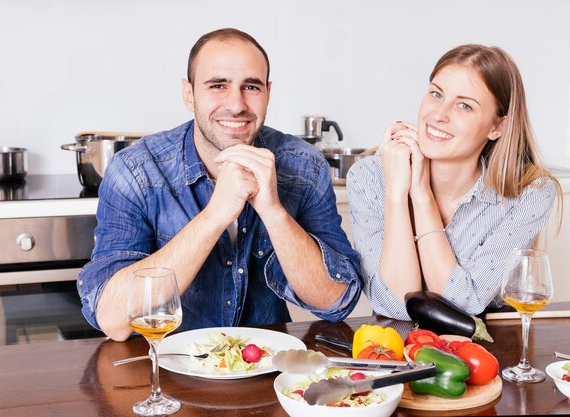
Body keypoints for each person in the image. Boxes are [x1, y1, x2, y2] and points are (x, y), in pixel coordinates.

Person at [78, 28, 363, 341]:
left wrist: (273, 211)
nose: (236, 104)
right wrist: (216, 214)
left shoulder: (304, 166)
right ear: (189, 94)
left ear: (268, 92)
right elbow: (112, 319)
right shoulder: (136, 170)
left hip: (266, 371)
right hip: (162, 373)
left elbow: (335, 302)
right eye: (217, 85)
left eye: (251, 87)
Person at [347, 44, 562, 320]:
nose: (439, 115)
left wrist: (421, 193)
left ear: (498, 127)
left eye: (464, 105)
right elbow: (397, 306)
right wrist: (396, 194)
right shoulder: (370, 176)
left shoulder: (530, 192)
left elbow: (464, 303)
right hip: (397, 351)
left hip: (484, 346)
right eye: (436, 94)